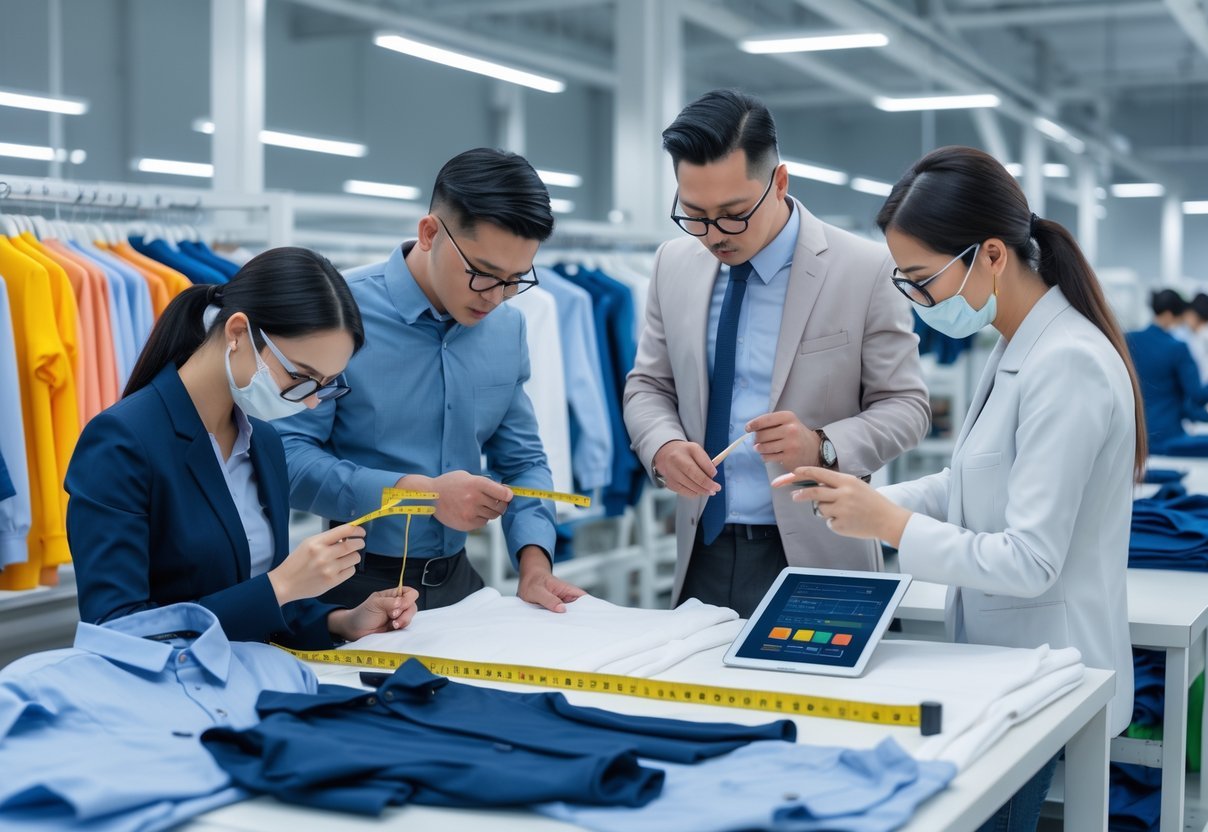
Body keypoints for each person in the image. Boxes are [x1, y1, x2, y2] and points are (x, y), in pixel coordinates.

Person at [773, 145, 1140, 831]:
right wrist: (862, 503)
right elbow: (969, 479)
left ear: (991, 255)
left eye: (920, 279)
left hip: (1050, 672)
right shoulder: (1016, 345)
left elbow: (1029, 562)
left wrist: (889, 526)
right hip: (1008, 668)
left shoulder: (1066, 363)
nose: (915, 301)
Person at [623, 89, 930, 618]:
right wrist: (663, 445)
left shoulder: (864, 268)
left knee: (818, 700)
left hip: (821, 550)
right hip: (702, 550)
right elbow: (649, 385)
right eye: (694, 214)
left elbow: (907, 406)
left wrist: (823, 445)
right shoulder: (673, 263)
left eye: (733, 214)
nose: (714, 235)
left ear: (779, 183)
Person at [276, 148, 585, 614]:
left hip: (459, 582)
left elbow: (522, 461)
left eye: (515, 280)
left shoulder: (507, 328)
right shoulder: (339, 312)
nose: (497, 297)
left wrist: (535, 561)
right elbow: (289, 460)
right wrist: (420, 495)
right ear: (429, 233)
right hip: (349, 590)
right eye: (483, 274)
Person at [66, 248, 418, 649]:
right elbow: (116, 628)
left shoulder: (262, 440)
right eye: (301, 377)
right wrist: (282, 584)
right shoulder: (121, 442)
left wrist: (342, 621)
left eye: (325, 385)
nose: (310, 403)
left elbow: (262, 601)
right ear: (237, 333)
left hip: (255, 681)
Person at [1127, 289, 1208, 455]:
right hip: (1167, 437)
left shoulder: (1128, 339)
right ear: (1168, 315)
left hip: (1134, 437)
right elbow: (1197, 395)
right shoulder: (1177, 348)